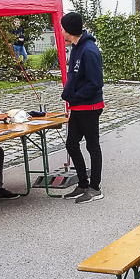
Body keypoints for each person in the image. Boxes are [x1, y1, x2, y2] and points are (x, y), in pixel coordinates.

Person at [59, 12, 105, 204]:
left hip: (89, 106)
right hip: (78, 107)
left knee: (92, 146)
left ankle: (95, 188)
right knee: (71, 144)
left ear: (69, 31)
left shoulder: (89, 50)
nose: (61, 31)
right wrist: (68, 94)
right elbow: (75, 77)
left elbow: (96, 83)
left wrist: (76, 96)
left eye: (63, 28)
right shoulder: (76, 48)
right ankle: (83, 183)